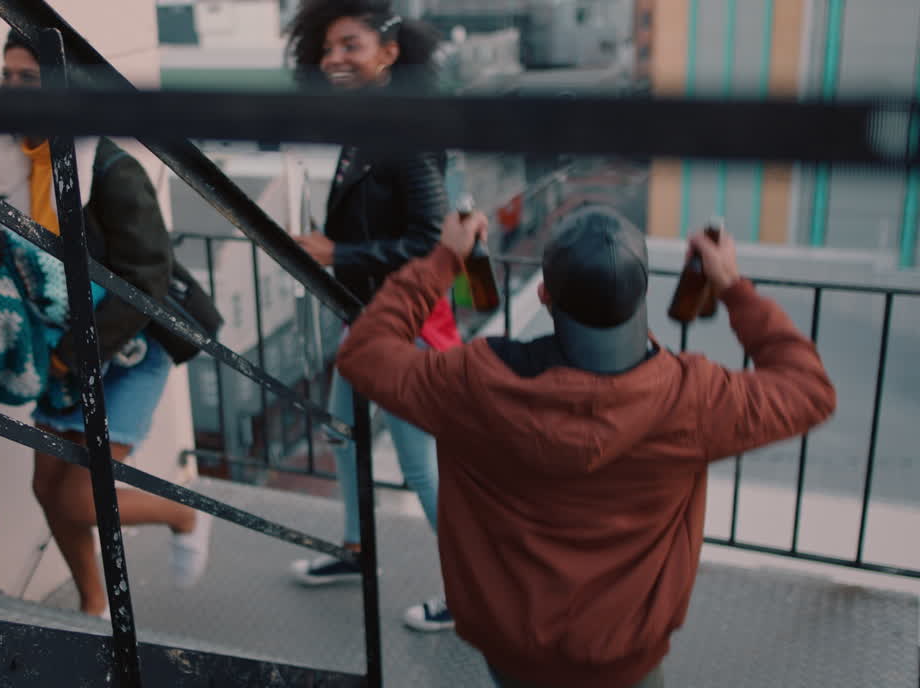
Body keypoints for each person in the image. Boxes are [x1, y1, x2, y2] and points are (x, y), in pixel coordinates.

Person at [336, 205, 837, 687]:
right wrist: (731, 286)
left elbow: (364, 352)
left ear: (547, 297)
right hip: (625, 661)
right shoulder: (692, 399)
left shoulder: (472, 383)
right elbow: (810, 391)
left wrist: (443, 260)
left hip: (513, 651)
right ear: (642, 296)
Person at [0, 32, 211, 620]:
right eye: (7, 77)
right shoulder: (7, 160)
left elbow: (147, 278)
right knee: (48, 490)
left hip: (128, 342)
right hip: (62, 342)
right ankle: (95, 605)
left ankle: (184, 513)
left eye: (27, 80)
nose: (12, 91)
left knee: (82, 494)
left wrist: (69, 356)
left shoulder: (110, 168)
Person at [283, 0, 461, 632]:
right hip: (371, 317)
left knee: (422, 467)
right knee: (343, 433)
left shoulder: (402, 131)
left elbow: (428, 238)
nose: (334, 57)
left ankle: (472, 591)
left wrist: (340, 252)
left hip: (405, 325)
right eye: (327, 46)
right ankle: (358, 550)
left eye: (350, 45)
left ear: (388, 52)